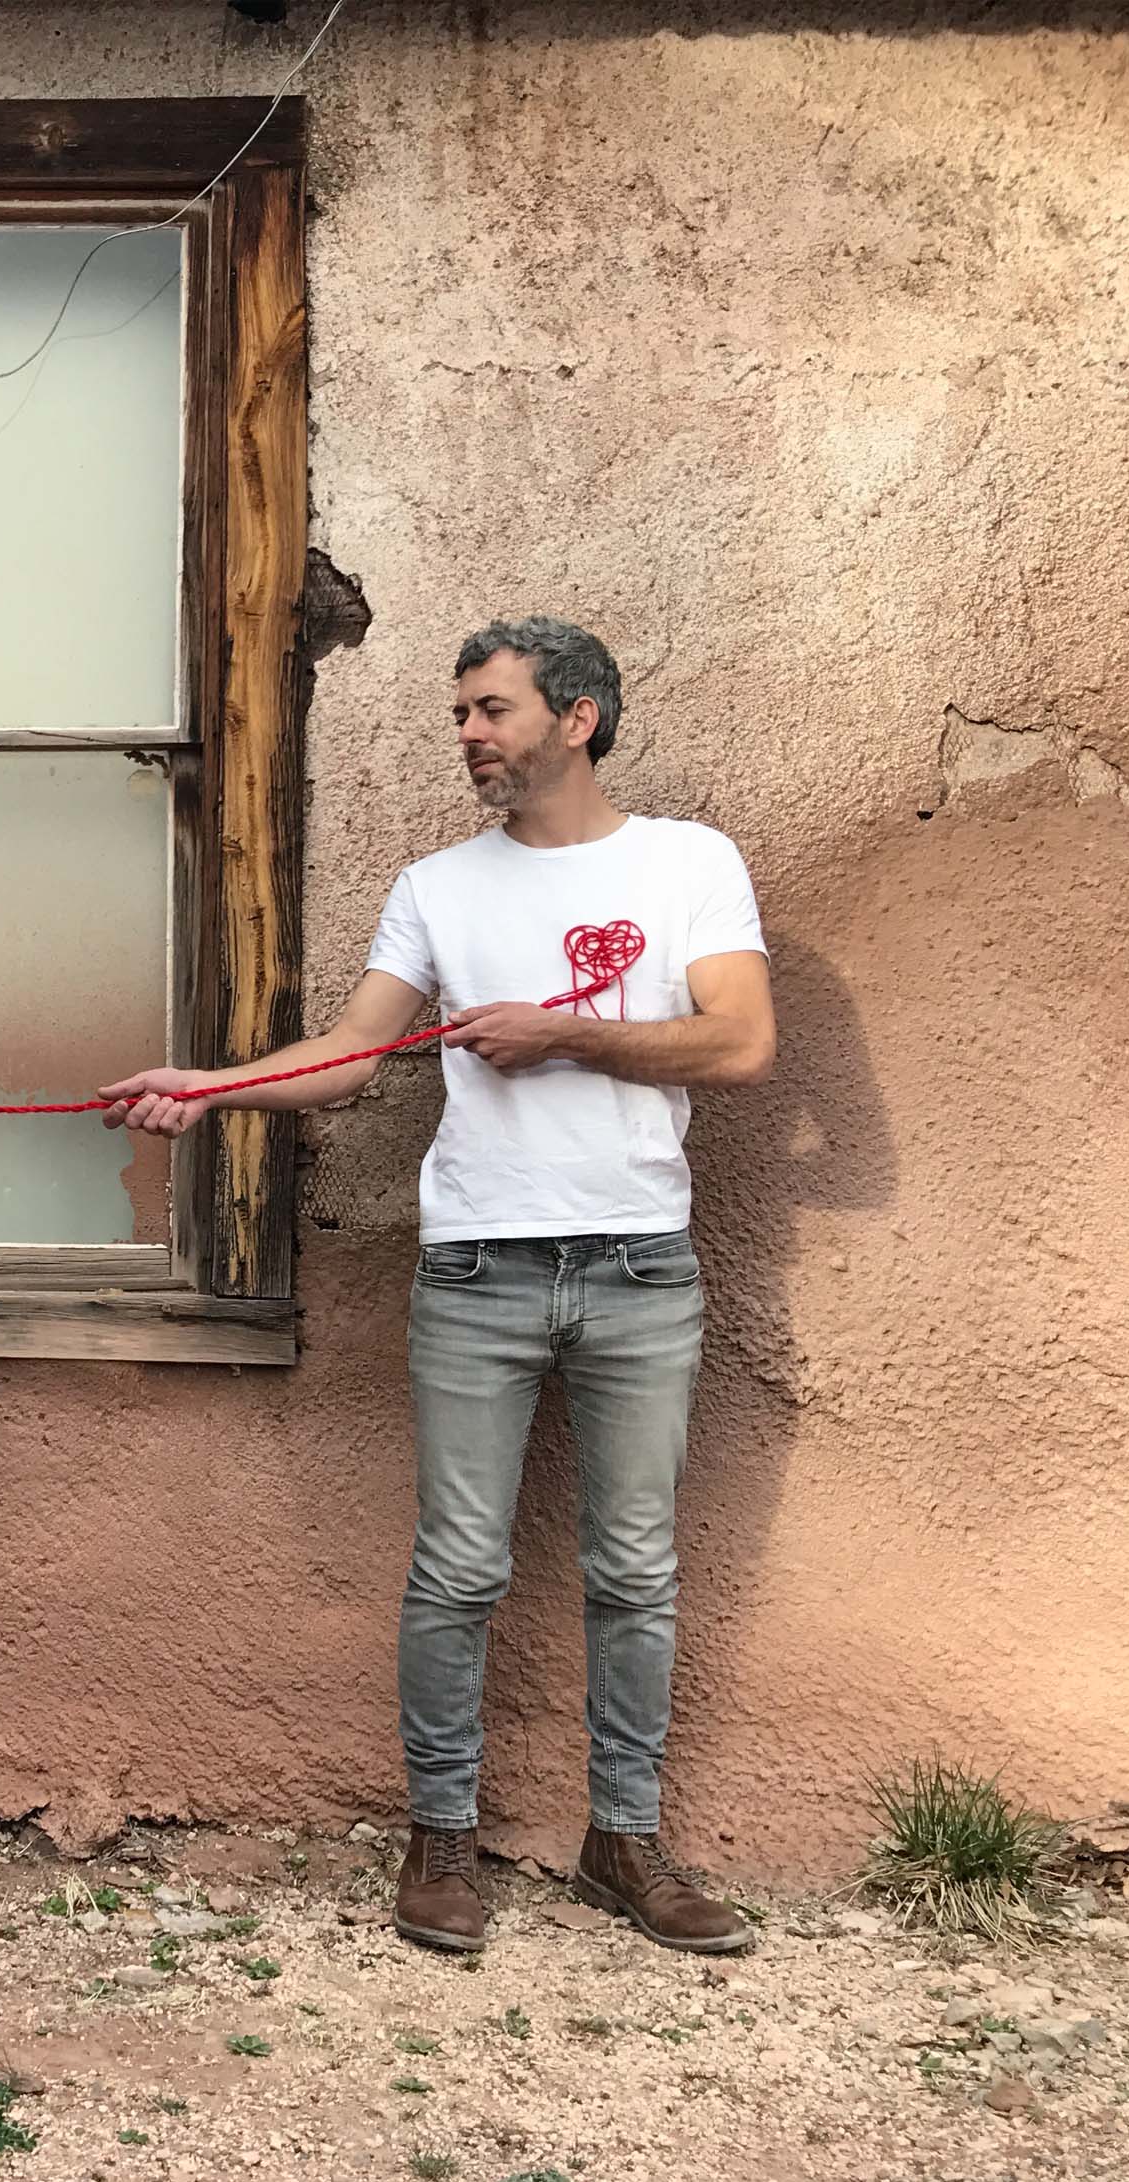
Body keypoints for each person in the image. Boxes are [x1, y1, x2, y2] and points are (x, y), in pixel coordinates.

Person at [100, 617, 775, 1955]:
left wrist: (564, 1031)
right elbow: (353, 1055)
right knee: (458, 1566)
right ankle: (439, 1841)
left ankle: (622, 1841)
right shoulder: (437, 887)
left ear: (575, 717)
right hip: (475, 1267)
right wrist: (211, 1086)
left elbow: (741, 1039)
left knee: (633, 1567)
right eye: (460, 714)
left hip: (639, 1263)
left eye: (489, 710)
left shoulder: (685, 862)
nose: (465, 735)